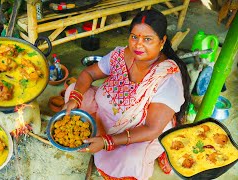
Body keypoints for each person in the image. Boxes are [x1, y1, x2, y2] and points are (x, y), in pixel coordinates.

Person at [63, 9, 191, 180]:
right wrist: (75, 98)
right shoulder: (120, 55)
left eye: (147, 39)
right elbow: (89, 74)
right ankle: (99, 133)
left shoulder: (166, 77)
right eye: (134, 37)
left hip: (138, 131)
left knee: (129, 161)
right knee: (74, 91)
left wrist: (108, 141)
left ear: (162, 42)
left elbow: (151, 129)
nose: (138, 45)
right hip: (105, 114)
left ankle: (152, 153)